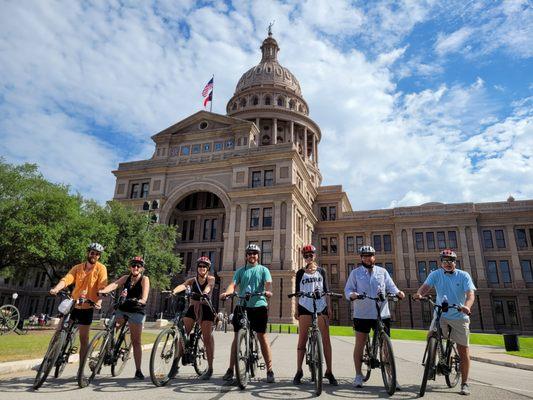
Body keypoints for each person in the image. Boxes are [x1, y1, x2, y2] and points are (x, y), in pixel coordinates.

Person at [414, 248, 475, 396]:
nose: (448, 263)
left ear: (455, 262)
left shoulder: (463, 275)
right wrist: (419, 294)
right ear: (441, 262)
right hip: (441, 313)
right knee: (431, 336)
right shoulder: (435, 274)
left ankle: (465, 383)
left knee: (463, 350)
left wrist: (467, 307)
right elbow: (426, 286)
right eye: (445, 261)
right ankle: (431, 364)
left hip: (459, 316)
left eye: (451, 261)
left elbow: (470, 294)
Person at [344, 245, 405, 389]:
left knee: (386, 347)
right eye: (364, 256)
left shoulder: (382, 272)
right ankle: (358, 375)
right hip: (362, 314)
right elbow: (348, 289)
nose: (367, 258)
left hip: (382, 313)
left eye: (370, 255)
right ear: (361, 258)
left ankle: (392, 378)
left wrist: (398, 292)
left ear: (374, 257)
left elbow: (391, 286)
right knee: (360, 342)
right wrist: (351, 295)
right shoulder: (355, 273)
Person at [220, 243, 275, 383]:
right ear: (246, 256)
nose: (252, 255)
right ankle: (230, 369)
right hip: (242, 305)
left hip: (259, 304)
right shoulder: (240, 271)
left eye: (255, 253)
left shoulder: (263, 270)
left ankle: (269, 370)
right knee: (237, 337)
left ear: (258, 256)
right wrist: (227, 292)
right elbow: (233, 285)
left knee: (262, 336)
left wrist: (268, 291)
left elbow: (268, 284)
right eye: (250, 253)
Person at [49, 242, 108, 362]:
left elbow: (102, 286)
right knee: (60, 330)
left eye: (97, 254)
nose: (94, 255)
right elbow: (67, 279)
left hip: (88, 306)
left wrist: (99, 301)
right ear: (88, 253)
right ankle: (49, 359)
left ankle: (80, 370)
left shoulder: (101, 268)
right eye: (92, 253)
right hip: (73, 304)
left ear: (99, 256)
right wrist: (56, 288)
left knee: (84, 338)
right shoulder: (77, 267)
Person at [98, 256, 150, 380]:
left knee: (136, 341)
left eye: (138, 266)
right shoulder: (126, 278)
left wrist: (142, 300)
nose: (135, 267)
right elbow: (115, 284)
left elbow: (145, 294)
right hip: (123, 308)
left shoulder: (144, 279)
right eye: (133, 265)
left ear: (142, 268)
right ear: (130, 267)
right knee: (111, 328)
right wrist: (104, 290)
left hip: (136, 310)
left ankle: (138, 370)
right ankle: (106, 353)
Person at [293, 244, 338, 386]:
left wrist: (329, 307)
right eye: (305, 256)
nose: (308, 257)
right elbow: (297, 293)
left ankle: (329, 371)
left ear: (315, 255)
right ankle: (299, 370)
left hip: (321, 306)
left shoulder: (322, 271)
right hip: (305, 306)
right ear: (303, 258)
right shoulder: (300, 273)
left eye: (310, 255)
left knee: (326, 340)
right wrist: (296, 309)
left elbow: (327, 291)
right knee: (302, 339)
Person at [171, 256, 216, 380]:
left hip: (206, 308)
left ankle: (210, 368)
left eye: (204, 267)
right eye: (200, 266)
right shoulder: (192, 280)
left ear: (208, 269)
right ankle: (175, 366)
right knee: (182, 335)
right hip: (193, 307)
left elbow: (210, 286)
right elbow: (183, 285)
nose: (202, 268)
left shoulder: (211, 278)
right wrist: (174, 291)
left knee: (207, 338)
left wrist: (205, 292)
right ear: (197, 268)